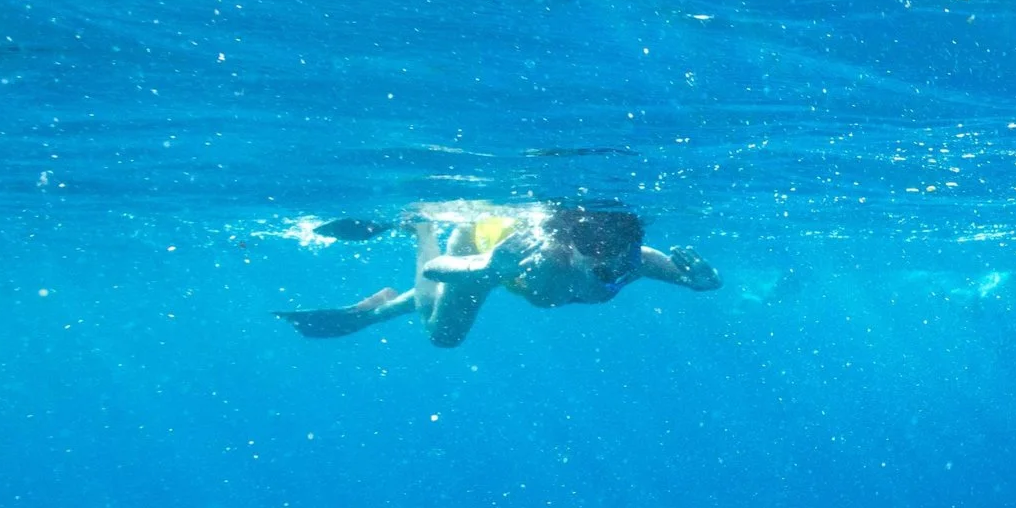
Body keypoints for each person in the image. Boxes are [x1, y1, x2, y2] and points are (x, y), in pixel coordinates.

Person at [277, 203, 720, 347]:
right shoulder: (539, 260)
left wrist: (702, 283)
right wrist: (487, 265)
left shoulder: (638, 258)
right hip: (486, 251)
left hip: (501, 268)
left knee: (446, 319)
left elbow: (686, 277)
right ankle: (422, 226)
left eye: (621, 247)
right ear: (571, 244)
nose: (610, 259)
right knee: (442, 335)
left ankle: (372, 311)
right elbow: (438, 270)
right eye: (593, 247)